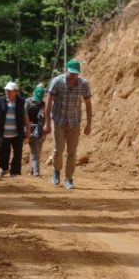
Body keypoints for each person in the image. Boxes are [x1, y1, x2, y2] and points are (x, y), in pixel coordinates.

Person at [43, 59, 92, 189]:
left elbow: (88, 104)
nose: (74, 76)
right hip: (58, 120)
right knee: (58, 150)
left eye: (76, 74)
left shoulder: (83, 84)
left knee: (72, 152)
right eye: (71, 73)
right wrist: (47, 122)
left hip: (74, 122)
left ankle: (69, 179)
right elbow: (48, 102)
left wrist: (88, 124)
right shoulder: (57, 82)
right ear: (66, 70)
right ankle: (56, 171)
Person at [0, 82, 31, 178]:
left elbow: (25, 116)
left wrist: (28, 129)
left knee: (17, 153)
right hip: (2, 133)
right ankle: (3, 169)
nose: (7, 92)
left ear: (15, 92)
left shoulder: (22, 102)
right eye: (6, 90)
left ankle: (15, 172)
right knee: (2, 154)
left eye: (9, 91)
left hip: (17, 133)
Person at [25, 85, 46, 177]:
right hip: (29, 128)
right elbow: (22, 115)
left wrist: (44, 132)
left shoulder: (43, 104)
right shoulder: (28, 102)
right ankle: (36, 172)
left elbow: (45, 118)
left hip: (39, 129)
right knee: (35, 150)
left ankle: (32, 171)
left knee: (38, 150)